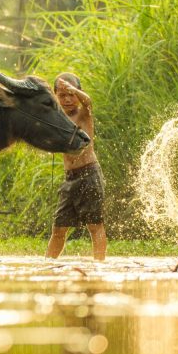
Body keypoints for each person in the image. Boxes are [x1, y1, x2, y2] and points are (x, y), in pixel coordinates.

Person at [45, 73, 107, 260]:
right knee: (58, 229)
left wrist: (76, 91)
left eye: (71, 94)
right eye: (62, 95)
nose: (68, 99)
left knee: (95, 226)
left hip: (89, 175)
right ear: (55, 96)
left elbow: (88, 102)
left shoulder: (83, 113)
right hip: (69, 179)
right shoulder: (56, 118)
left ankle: (100, 265)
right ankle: (48, 265)